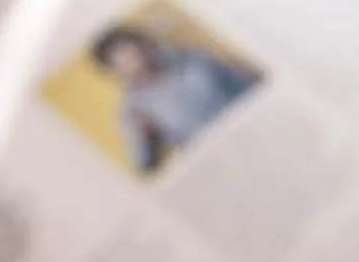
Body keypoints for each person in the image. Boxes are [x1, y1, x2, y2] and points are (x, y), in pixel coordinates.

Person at [90, 21, 256, 176]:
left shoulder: (194, 59)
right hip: (222, 164)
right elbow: (147, 168)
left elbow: (247, 85)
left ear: (145, 44)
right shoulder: (133, 111)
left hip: (254, 129)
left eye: (134, 49)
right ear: (115, 70)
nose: (135, 58)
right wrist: (149, 140)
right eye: (124, 59)